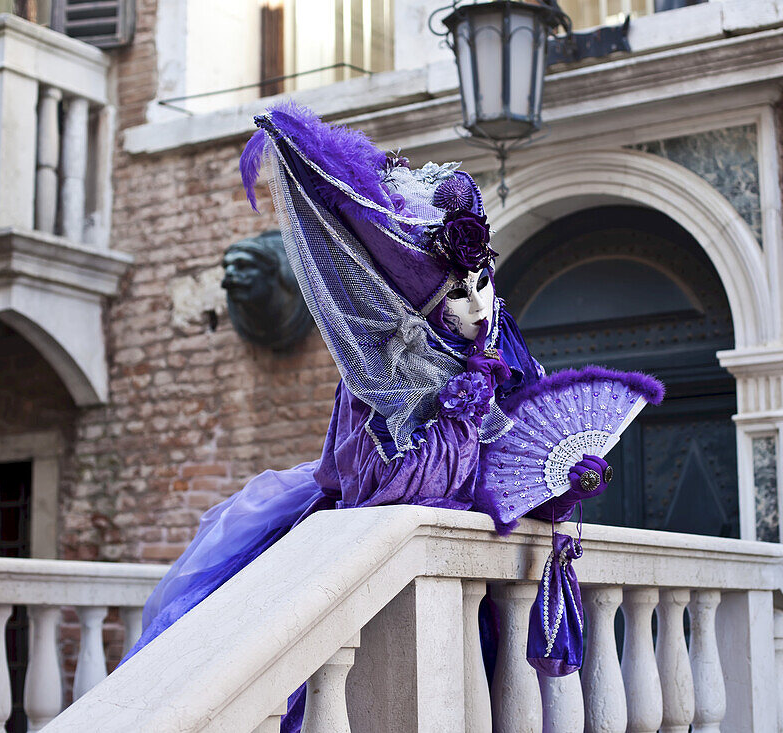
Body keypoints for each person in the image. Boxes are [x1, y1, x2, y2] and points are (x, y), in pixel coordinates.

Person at [122, 103, 609, 729]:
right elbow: (389, 488)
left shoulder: (501, 355)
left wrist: (564, 483)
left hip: (477, 590)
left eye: (480, 284)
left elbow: (522, 461)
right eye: (456, 291)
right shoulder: (380, 380)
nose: (475, 304)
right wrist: (460, 418)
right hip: (389, 583)